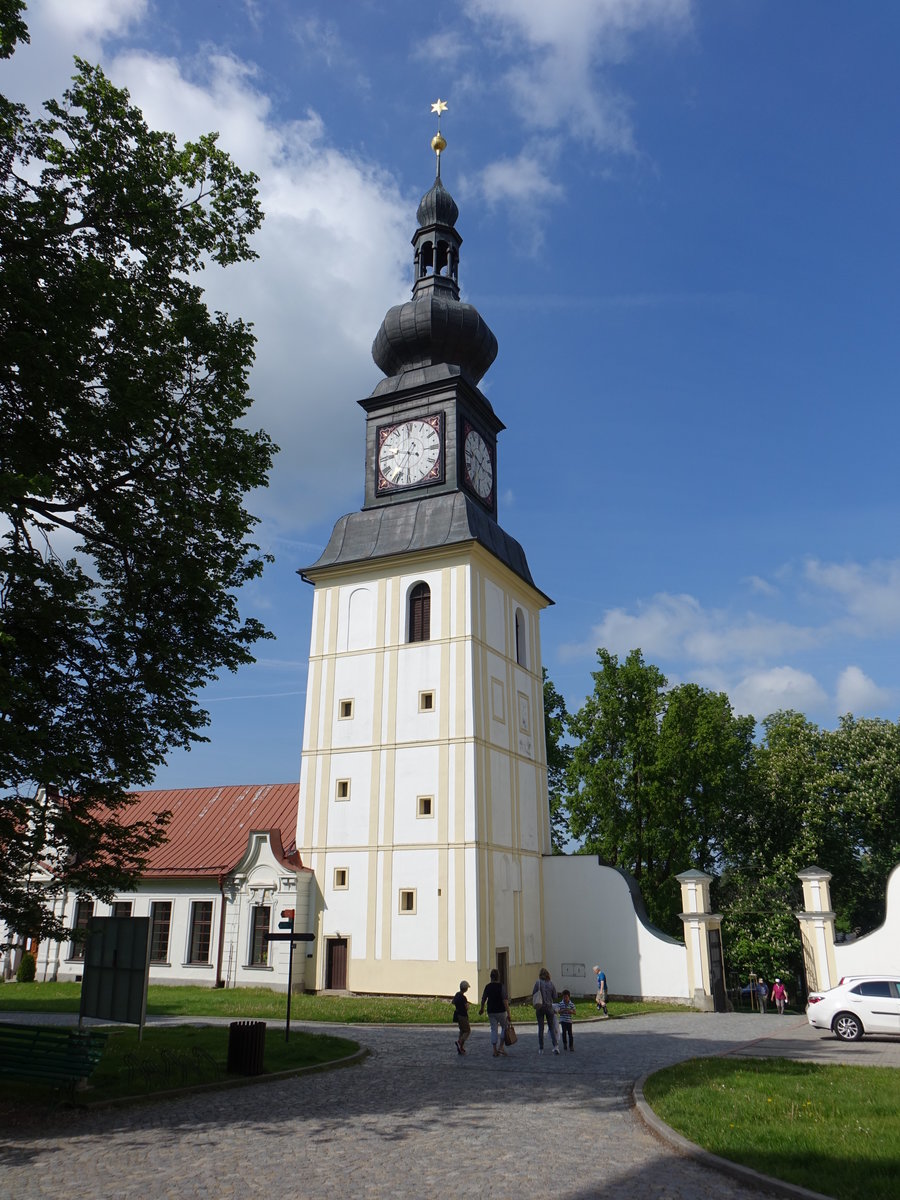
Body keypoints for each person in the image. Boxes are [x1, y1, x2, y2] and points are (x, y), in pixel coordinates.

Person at [479, 968, 510, 1057]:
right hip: (501, 1011)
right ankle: (501, 1047)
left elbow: (483, 999)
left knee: (494, 1029)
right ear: (498, 977)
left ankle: (494, 1050)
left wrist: (482, 1008)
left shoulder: (488, 986)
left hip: (491, 1011)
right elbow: (505, 1001)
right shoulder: (501, 986)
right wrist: (509, 1013)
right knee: (504, 1027)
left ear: (491, 977)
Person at [531, 967, 560, 1054]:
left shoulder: (538, 983)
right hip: (549, 1007)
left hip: (540, 1007)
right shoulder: (551, 983)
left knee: (541, 1028)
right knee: (551, 1027)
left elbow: (533, 993)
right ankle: (555, 1046)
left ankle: (541, 1048)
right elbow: (555, 996)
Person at [452, 980, 471, 1054]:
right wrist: (467, 1006)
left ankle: (461, 1048)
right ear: (466, 989)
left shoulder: (457, 994)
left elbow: (453, 1002)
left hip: (458, 1015)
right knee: (467, 1031)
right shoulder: (464, 998)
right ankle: (460, 1042)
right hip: (463, 1015)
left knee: (462, 1031)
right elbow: (466, 1007)